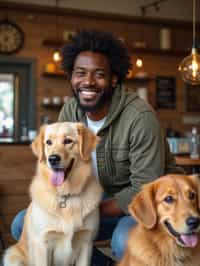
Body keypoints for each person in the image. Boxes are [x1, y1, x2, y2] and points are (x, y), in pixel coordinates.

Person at [11, 30, 182, 266]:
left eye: (99, 74)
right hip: (91, 200)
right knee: (23, 223)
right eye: (80, 73)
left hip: (147, 206)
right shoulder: (70, 112)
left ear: (113, 79)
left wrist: (88, 210)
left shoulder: (140, 117)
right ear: (71, 76)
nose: (88, 82)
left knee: (124, 240)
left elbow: (146, 188)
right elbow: (61, 168)